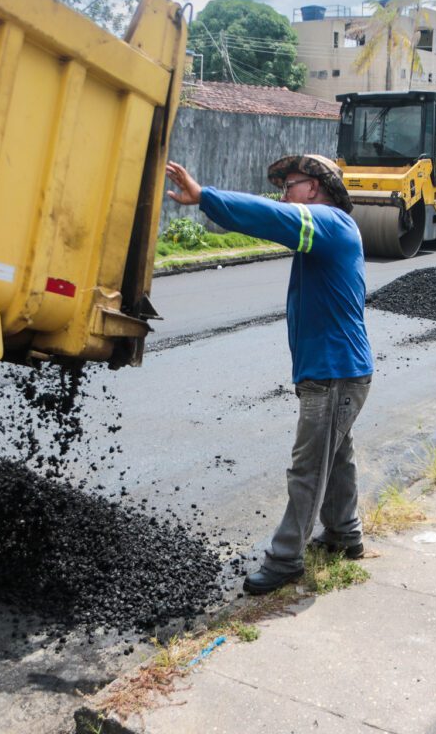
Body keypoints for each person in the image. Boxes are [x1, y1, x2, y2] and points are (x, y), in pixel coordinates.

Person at [164, 156, 374, 595]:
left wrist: (206, 198)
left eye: (290, 185)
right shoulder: (330, 232)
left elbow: (272, 217)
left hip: (334, 372)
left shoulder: (328, 223)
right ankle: (344, 534)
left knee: (308, 468)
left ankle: (285, 559)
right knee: (335, 457)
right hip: (339, 370)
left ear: (315, 187)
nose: (284, 194)